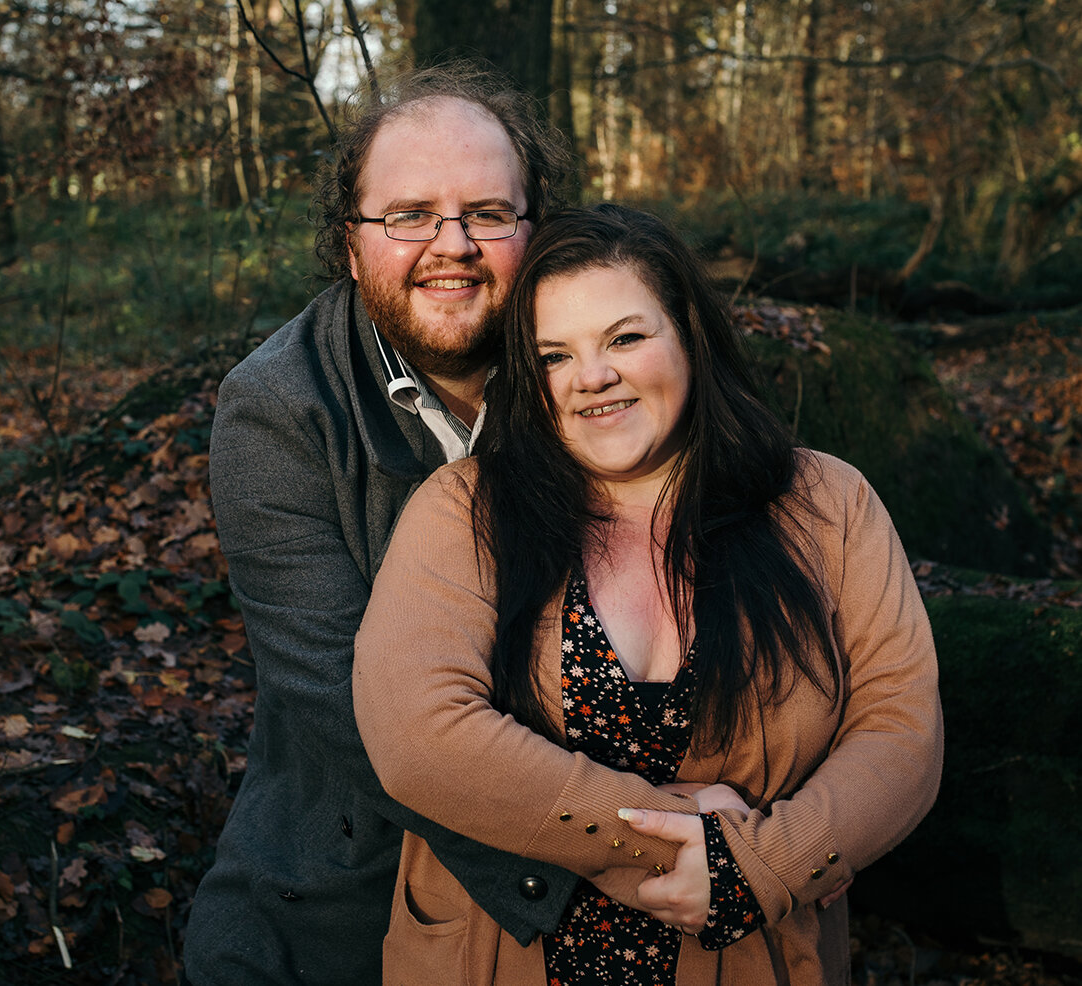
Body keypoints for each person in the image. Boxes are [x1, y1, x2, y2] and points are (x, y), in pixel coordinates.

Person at [353, 203, 943, 985]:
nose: (592, 377)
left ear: (689, 336)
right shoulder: (467, 509)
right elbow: (417, 734)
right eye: (555, 355)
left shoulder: (828, 503)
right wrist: (680, 845)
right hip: (503, 957)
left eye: (625, 338)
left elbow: (901, 732)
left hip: (749, 959)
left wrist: (761, 870)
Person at [182, 68, 578, 984]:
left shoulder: (598, 376)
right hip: (342, 884)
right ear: (351, 245)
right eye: (409, 216)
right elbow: (347, 704)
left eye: (487, 212)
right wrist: (586, 861)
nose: (453, 247)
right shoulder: (278, 409)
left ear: (536, 231)